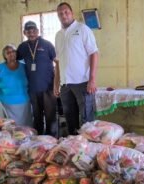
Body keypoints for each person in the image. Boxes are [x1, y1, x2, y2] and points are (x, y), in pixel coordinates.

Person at [54, 2, 99, 135]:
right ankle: (74, 149)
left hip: (83, 83)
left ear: (72, 13)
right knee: (70, 119)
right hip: (65, 85)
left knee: (87, 121)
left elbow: (94, 53)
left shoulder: (83, 29)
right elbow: (57, 62)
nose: (64, 15)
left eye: (66, 12)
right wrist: (56, 83)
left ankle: (89, 150)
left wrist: (92, 80)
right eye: (60, 13)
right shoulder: (58, 35)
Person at [17, 21, 58, 136]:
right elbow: (14, 62)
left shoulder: (47, 44)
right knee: (37, 116)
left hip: (48, 88)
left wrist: (57, 84)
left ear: (38, 31)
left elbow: (58, 63)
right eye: (28, 31)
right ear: (24, 33)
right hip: (32, 89)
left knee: (50, 116)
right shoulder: (22, 47)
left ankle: (52, 139)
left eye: (34, 30)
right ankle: (38, 141)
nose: (31, 33)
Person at [0, 44, 32, 126]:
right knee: (9, 128)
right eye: (8, 53)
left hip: (24, 103)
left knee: (25, 129)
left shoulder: (24, 66)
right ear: (4, 56)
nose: (11, 54)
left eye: (13, 51)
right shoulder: (0, 67)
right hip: (5, 103)